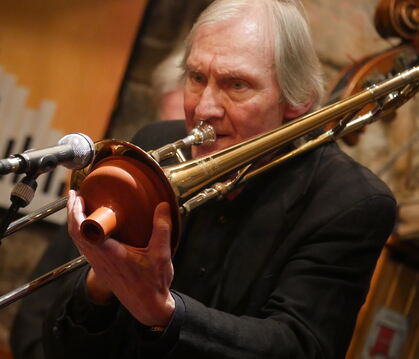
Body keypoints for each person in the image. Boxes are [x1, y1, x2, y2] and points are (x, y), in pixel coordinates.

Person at [42, 0, 397, 358]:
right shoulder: (153, 145)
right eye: (197, 78)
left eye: (237, 84)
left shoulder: (351, 201)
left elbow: (299, 346)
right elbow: (62, 346)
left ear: (297, 98)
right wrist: (100, 284)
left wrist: (161, 311)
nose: (203, 109)